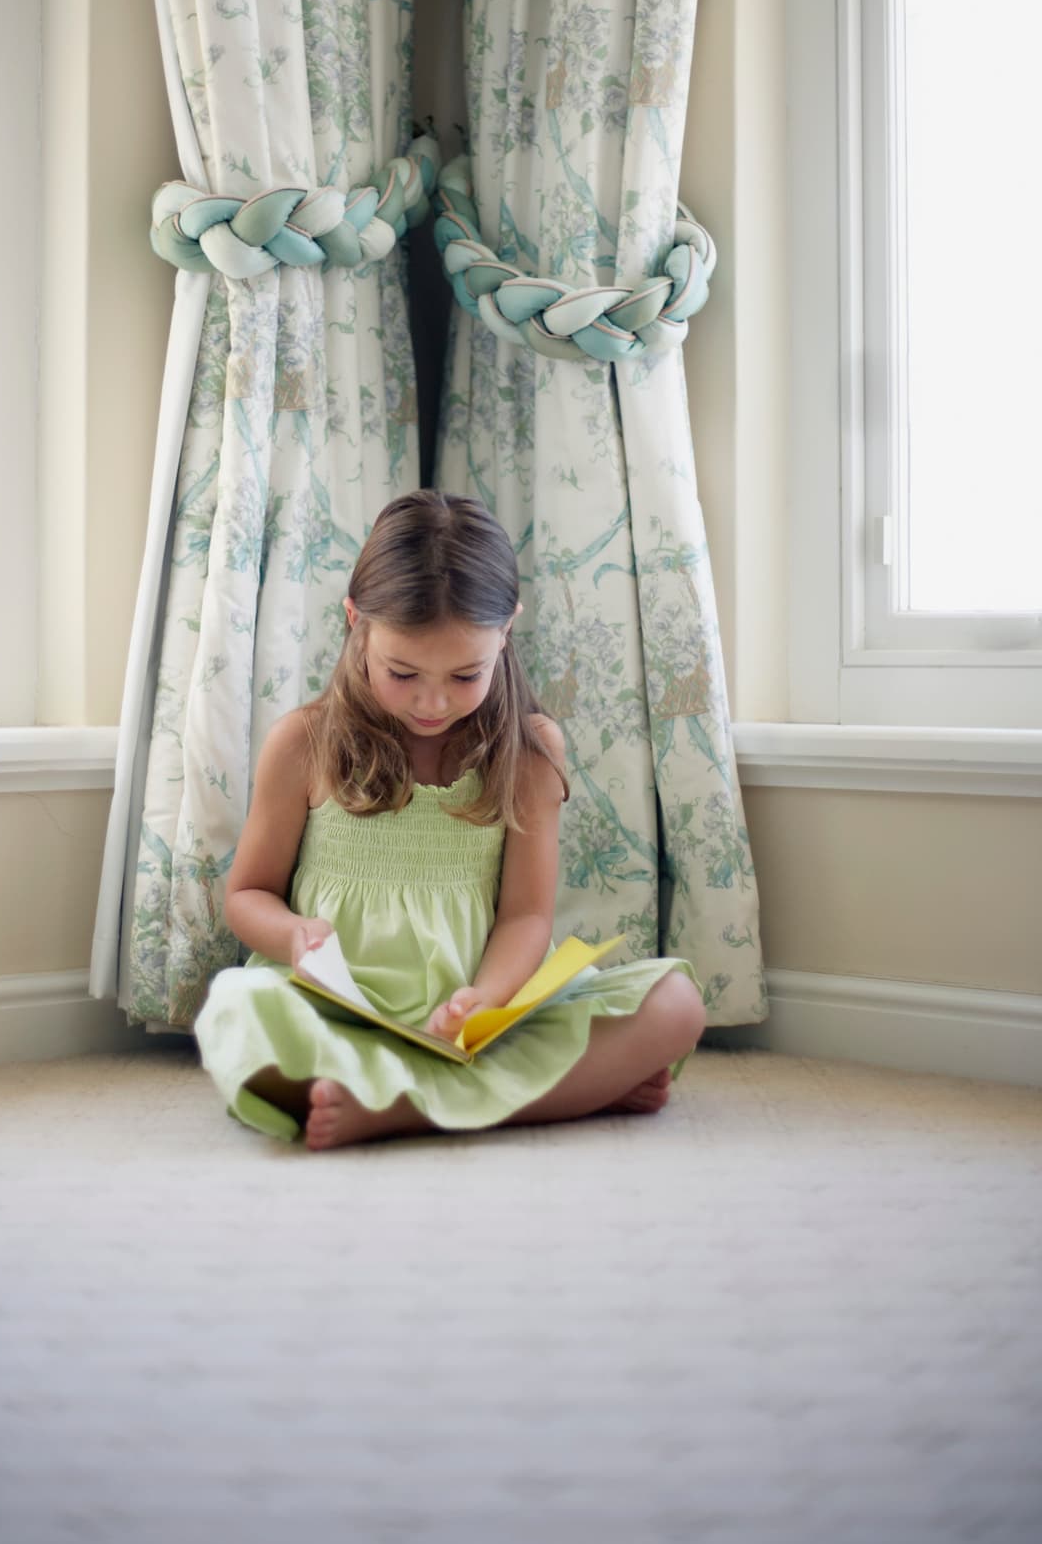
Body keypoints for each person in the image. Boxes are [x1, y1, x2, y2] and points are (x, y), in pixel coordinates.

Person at [194, 489, 706, 1150]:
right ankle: (564, 1093)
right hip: (341, 1016)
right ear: (357, 622)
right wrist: (293, 934)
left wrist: (484, 1001)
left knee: (676, 1004)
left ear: (507, 631)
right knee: (237, 1014)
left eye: (467, 675)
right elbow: (247, 894)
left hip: (481, 1018)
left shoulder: (529, 750)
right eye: (402, 672)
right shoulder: (304, 742)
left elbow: (526, 916)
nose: (433, 702)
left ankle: (402, 1109)